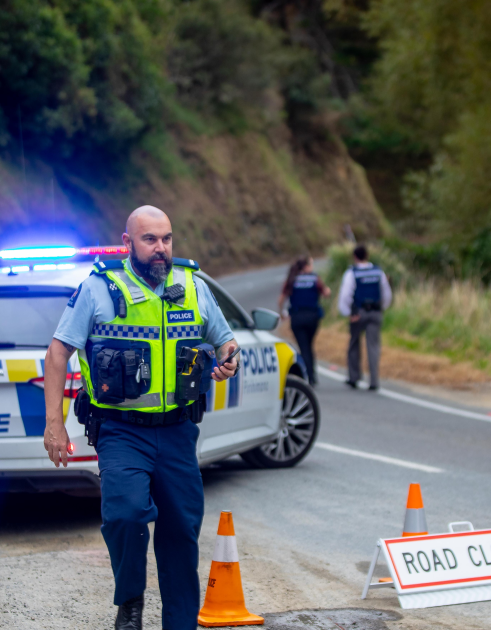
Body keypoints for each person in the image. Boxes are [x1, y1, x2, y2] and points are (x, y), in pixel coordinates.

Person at [42, 205, 239, 630]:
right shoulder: (98, 288)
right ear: (128, 242)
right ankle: (130, 602)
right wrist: (54, 423)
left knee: (182, 533)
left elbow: (225, 342)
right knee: (126, 516)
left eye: (167, 239)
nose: (161, 249)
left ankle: (181, 624)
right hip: (120, 431)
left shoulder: (193, 286)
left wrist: (228, 360)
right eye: (150, 240)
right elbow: (58, 351)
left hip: (178, 432)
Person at [336, 245, 392, 390]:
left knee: (354, 344)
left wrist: (347, 313)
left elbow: (346, 295)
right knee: (373, 346)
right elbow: (386, 292)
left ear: (355, 257)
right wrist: (382, 308)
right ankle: (374, 381)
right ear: (367, 255)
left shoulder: (351, 273)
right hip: (375, 312)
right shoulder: (378, 271)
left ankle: (354, 377)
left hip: (358, 313)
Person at [279, 255, 330, 386]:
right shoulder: (315, 278)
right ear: (306, 266)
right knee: (309, 345)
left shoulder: (291, 279)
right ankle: (312, 376)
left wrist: (282, 313)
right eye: (311, 264)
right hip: (313, 317)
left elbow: (281, 299)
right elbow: (326, 292)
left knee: (304, 346)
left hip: (297, 317)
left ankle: (309, 376)